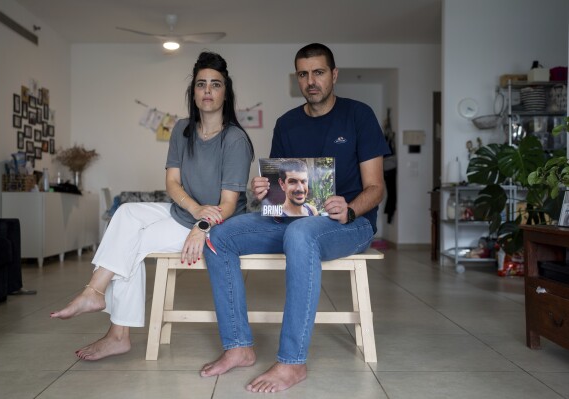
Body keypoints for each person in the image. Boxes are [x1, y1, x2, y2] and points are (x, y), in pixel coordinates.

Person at [199, 43, 390, 393]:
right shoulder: (286, 123)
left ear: (333, 75)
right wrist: (263, 191)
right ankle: (239, 346)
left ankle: (292, 362)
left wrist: (349, 208)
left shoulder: (358, 115)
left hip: (350, 223)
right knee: (218, 236)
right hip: (292, 223)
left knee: (301, 234)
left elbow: (376, 188)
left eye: (318, 72)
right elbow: (279, 190)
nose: (311, 81)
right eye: (303, 74)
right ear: (297, 79)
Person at [50, 51, 254, 361]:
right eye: (201, 84)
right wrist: (195, 209)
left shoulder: (235, 139)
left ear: (226, 91)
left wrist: (201, 224)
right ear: (193, 91)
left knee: (137, 241)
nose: (208, 91)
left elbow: (227, 204)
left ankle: (116, 331)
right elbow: (172, 183)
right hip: (189, 212)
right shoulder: (182, 129)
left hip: (221, 222)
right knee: (126, 212)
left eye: (215, 84)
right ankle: (95, 292)